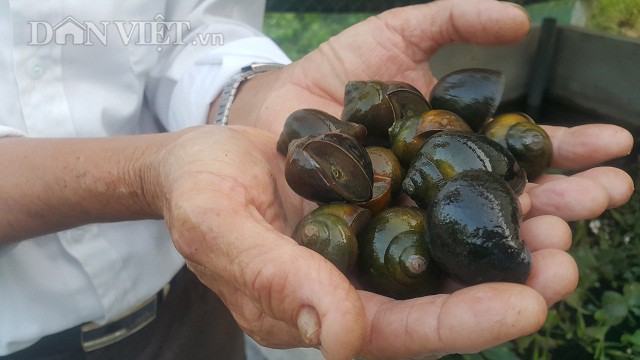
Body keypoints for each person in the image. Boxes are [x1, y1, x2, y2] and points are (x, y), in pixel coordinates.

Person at [0, 0, 634, 359]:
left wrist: (248, 99)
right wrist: (150, 176)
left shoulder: (413, 167)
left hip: (197, 293)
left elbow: (182, 29)